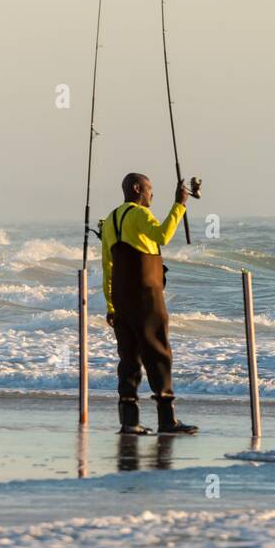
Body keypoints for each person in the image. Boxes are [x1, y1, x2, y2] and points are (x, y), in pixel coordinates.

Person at [100, 172, 198, 435]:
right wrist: (180, 205)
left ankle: (129, 422)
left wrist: (111, 305)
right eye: (149, 188)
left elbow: (107, 267)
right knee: (158, 354)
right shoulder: (140, 215)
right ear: (136, 188)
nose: (152, 194)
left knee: (128, 359)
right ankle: (167, 421)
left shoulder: (109, 221)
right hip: (146, 298)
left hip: (121, 300)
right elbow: (163, 235)